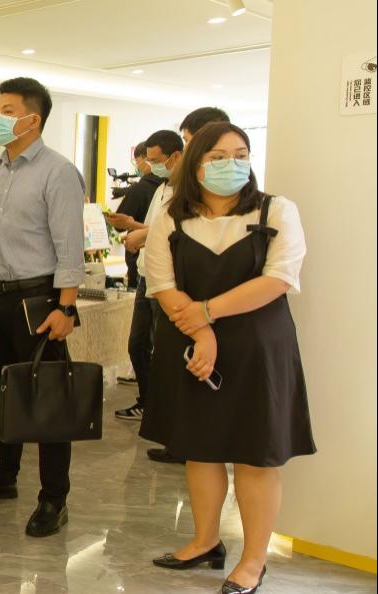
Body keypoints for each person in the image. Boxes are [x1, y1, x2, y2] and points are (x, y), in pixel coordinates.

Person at [141, 122, 314, 594]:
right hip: (190, 344)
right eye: (218, 156)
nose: (231, 164)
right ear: (196, 163)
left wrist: (206, 314)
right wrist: (202, 332)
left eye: (240, 154)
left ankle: (254, 560)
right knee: (200, 447)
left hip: (258, 346)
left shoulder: (276, 210)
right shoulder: (171, 217)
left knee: (256, 456)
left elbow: (278, 279)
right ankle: (205, 541)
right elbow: (162, 284)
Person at [0, 77, 85, 539]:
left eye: (7, 111)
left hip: (38, 299)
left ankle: (54, 498)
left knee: (47, 400)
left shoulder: (58, 172)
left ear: (33, 118)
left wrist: (66, 308)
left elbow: (69, 246)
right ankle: (4, 475)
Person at [124, 107, 231, 463]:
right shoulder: (172, 185)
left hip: (193, 295)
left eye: (189, 141)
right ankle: (170, 428)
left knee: (183, 362)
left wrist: (203, 315)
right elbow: (164, 233)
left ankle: (186, 439)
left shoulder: (248, 204)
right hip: (162, 284)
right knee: (154, 352)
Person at [113, 130, 183, 422]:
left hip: (164, 279)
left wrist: (140, 234)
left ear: (175, 156)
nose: (151, 166)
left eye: (155, 160)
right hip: (145, 274)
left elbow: (175, 233)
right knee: (138, 345)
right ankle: (150, 403)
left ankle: (161, 409)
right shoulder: (161, 187)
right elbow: (155, 228)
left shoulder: (185, 191)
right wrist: (133, 226)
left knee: (162, 349)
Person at [107, 142, 166, 289]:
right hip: (163, 260)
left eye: (137, 161)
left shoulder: (140, 189)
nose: (137, 166)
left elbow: (119, 225)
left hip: (140, 259)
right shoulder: (168, 186)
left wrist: (130, 224)